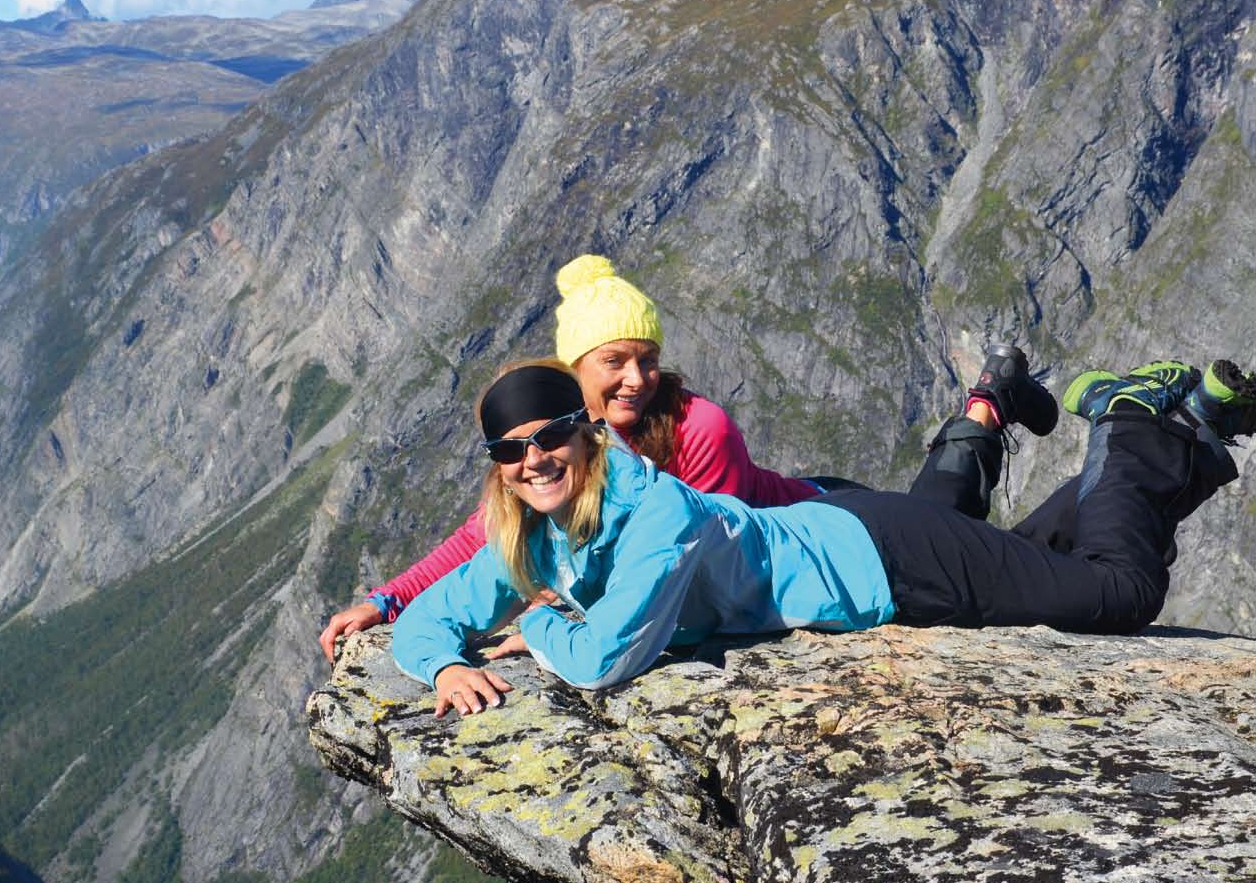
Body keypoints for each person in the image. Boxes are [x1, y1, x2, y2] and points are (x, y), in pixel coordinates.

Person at [389, 357, 1252, 718]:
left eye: (550, 438)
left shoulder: (658, 514)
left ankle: (1137, 422)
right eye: (510, 449)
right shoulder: (531, 535)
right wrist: (447, 660)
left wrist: (534, 624)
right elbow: (428, 617)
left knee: (1114, 594)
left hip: (885, 563)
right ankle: (1156, 424)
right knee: (1035, 563)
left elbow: (603, 656)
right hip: (856, 533)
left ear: (587, 435)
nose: (533, 460)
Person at [322, 254, 891, 663]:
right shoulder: (553, 445)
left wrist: (566, 625)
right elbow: (485, 538)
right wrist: (388, 600)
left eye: (648, 360)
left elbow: (714, 571)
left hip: (826, 517)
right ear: (577, 369)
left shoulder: (701, 428)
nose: (637, 380)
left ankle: (980, 420)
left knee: (945, 508)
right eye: (614, 361)